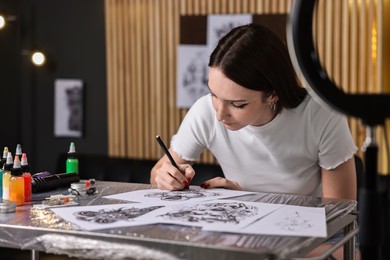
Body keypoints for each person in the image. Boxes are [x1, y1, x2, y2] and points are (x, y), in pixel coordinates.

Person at [150, 23, 359, 258]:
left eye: (237, 104)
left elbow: (340, 218)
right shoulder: (205, 112)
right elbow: (158, 173)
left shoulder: (319, 116)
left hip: (315, 236)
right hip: (241, 230)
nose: (219, 114)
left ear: (273, 94)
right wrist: (167, 177)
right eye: (214, 95)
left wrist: (251, 209)